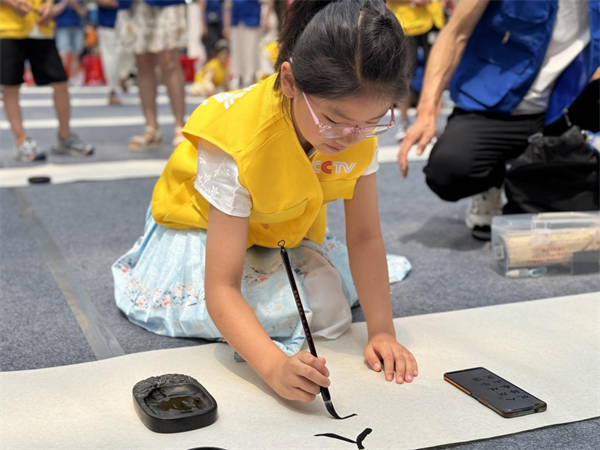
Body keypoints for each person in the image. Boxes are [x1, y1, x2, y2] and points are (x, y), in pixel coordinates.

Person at [113, 0, 418, 403]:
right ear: (289, 82)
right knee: (295, 313)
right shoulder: (238, 140)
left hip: (281, 226)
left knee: (325, 308)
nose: (349, 138)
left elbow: (364, 236)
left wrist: (382, 331)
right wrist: (273, 366)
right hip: (201, 230)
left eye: (372, 121)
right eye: (335, 120)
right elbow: (220, 285)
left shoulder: (356, 127)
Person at [398, 0, 600, 240]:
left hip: (566, 107)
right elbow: (455, 33)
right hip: (496, 104)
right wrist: (427, 111)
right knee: (450, 170)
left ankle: (535, 179)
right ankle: (491, 182)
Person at [0, 0, 94, 162]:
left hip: (40, 26)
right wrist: (12, 3)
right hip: (8, 26)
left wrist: (49, 4)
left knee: (60, 82)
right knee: (11, 85)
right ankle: (21, 140)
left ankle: (65, 136)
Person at [116, 0, 187, 150]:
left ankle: (180, 126)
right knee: (142, 63)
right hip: (136, 5)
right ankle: (151, 128)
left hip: (166, 4)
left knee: (169, 61)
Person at [387, 0, 445, 141]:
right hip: (405, 24)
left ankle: (432, 125)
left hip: (433, 21)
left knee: (438, 75)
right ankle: (405, 124)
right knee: (403, 76)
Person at [224, 0, 274, 90]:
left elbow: (269, 2)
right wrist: (226, 27)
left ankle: (252, 81)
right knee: (237, 53)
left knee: (251, 53)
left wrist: (265, 20)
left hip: (252, 23)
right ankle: (239, 80)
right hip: (236, 24)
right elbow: (227, 6)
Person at [95, 0, 134, 105]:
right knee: (111, 57)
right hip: (108, 21)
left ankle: (123, 76)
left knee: (130, 51)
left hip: (130, 19)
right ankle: (112, 91)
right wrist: (118, 4)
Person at [52, 0, 87, 85]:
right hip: (62, 27)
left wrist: (74, 5)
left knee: (76, 54)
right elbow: (53, 12)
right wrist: (64, 3)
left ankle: (73, 78)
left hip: (77, 27)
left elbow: (83, 13)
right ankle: (60, 78)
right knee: (62, 54)